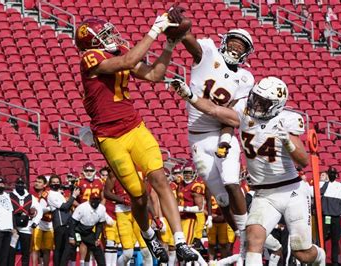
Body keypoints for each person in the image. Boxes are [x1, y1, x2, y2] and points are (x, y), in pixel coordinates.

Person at [74, 13, 197, 262]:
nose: (111, 37)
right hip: (110, 137)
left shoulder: (116, 51)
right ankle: (149, 235)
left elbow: (154, 75)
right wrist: (154, 30)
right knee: (138, 196)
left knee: (160, 178)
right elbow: (130, 60)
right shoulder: (90, 57)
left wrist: (170, 45)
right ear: (92, 42)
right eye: (104, 34)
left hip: (134, 126)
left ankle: (180, 241)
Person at [171, 76, 326, 265]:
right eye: (256, 98)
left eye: (264, 102)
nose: (257, 104)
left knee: (301, 252)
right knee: (253, 240)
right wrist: (190, 95)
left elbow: (303, 161)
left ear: (277, 105)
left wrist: (286, 140)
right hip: (264, 194)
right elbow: (213, 109)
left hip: (291, 191)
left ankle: (320, 257)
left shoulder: (286, 120)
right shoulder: (244, 112)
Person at [173, 6, 254, 261]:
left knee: (231, 182)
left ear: (247, 53)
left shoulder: (245, 78)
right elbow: (189, 41)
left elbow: (234, 118)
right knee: (221, 198)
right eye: (233, 41)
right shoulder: (207, 51)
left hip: (222, 135)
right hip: (197, 137)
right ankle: (243, 238)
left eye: (242, 46)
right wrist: (179, 24)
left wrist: (225, 136)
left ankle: (248, 236)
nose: (236, 47)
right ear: (223, 41)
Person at [103, 168, 153, 265]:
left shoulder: (140, 169)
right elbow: (107, 193)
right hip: (122, 211)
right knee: (128, 253)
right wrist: (122, 200)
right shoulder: (114, 171)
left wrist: (155, 216)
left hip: (139, 210)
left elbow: (147, 196)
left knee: (146, 250)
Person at [63, 192, 107, 266]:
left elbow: (99, 225)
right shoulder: (82, 207)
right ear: (89, 200)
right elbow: (73, 223)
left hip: (88, 231)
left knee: (97, 248)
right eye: (93, 199)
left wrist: (97, 238)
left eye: (97, 199)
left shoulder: (102, 208)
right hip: (77, 229)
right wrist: (71, 237)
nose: (95, 201)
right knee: (69, 248)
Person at [46, 175, 80, 265]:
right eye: (53, 182)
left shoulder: (59, 193)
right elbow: (65, 207)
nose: (55, 184)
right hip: (60, 225)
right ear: (50, 183)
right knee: (60, 248)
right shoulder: (51, 195)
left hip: (66, 224)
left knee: (65, 248)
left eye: (57, 182)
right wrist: (74, 196)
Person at [8, 178, 42, 266]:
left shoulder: (31, 197)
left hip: (27, 229)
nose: (20, 185)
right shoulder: (9, 196)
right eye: (18, 184)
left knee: (25, 253)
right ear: (15, 185)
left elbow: (39, 210)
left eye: (22, 184)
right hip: (13, 229)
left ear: (25, 185)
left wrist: (35, 223)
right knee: (11, 252)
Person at [320, 167, 341, 266]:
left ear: (336, 175)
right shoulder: (323, 184)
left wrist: (340, 212)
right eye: (330, 173)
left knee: (335, 239)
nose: (332, 175)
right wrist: (326, 183)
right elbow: (320, 192)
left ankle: (335, 262)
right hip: (326, 216)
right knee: (323, 239)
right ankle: (323, 261)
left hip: (336, 217)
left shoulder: (340, 186)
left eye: (333, 173)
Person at [31, 175, 54, 266]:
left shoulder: (49, 194)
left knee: (47, 249)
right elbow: (39, 209)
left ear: (45, 185)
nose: (36, 183)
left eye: (39, 182)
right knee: (35, 248)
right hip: (37, 223)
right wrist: (50, 208)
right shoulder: (31, 193)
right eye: (36, 181)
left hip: (48, 223)